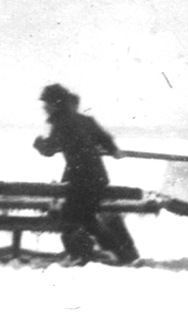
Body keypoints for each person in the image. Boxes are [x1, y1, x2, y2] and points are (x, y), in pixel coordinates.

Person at [32, 84, 139, 265]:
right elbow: (104, 138)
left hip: (82, 179)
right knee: (86, 217)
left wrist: (38, 143)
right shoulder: (84, 120)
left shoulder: (60, 122)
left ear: (55, 104)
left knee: (71, 217)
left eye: (47, 103)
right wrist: (114, 150)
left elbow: (49, 149)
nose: (44, 107)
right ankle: (119, 253)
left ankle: (85, 255)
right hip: (97, 177)